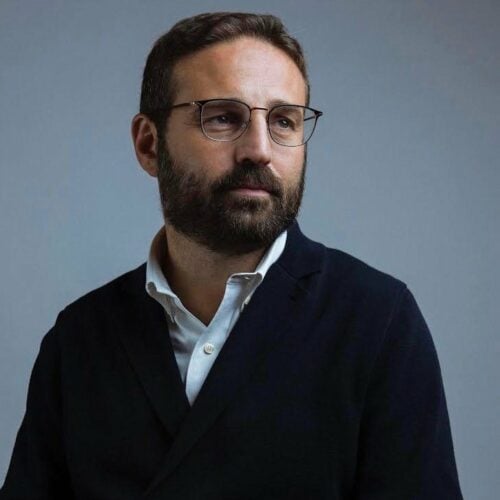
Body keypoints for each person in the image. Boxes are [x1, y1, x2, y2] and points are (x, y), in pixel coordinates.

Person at [0, 12, 463, 499]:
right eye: (222, 117)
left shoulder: (377, 323)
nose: (259, 150)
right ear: (149, 144)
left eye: (283, 121)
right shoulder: (78, 339)